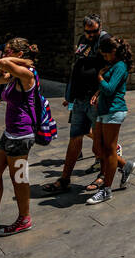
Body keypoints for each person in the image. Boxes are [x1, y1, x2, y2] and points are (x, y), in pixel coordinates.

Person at [0, 37, 39, 237]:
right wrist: (12, 62)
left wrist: (17, 62)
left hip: (22, 135)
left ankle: (25, 218)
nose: (4, 54)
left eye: (8, 51)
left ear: (19, 54)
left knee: (19, 178)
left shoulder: (27, 73)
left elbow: (2, 63)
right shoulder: (13, 75)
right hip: (9, 134)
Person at [44, 13, 109, 193]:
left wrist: (99, 92)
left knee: (99, 142)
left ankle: (104, 175)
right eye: (87, 32)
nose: (90, 35)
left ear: (100, 27)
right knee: (75, 139)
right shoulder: (82, 40)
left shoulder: (106, 41)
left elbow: (112, 67)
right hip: (80, 98)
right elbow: (77, 66)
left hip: (95, 99)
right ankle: (65, 179)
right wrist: (70, 94)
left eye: (93, 31)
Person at [86, 36, 135, 205]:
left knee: (108, 150)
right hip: (103, 110)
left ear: (113, 51)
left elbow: (109, 89)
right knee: (98, 148)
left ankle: (106, 190)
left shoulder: (120, 66)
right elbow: (104, 90)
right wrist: (96, 94)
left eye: (106, 54)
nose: (104, 57)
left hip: (114, 111)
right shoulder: (113, 65)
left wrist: (100, 76)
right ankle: (125, 165)